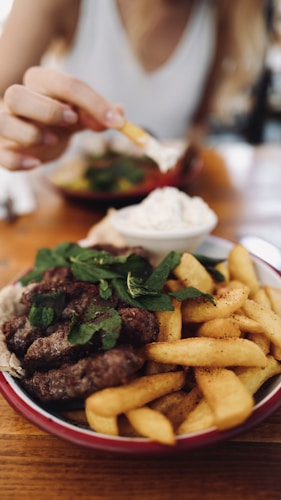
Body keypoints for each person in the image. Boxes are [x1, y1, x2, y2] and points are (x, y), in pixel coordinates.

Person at [0, 0, 269, 172]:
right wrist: (17, 131)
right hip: (52, 205)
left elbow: (196, 127)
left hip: (154, 211)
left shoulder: (223, 12)